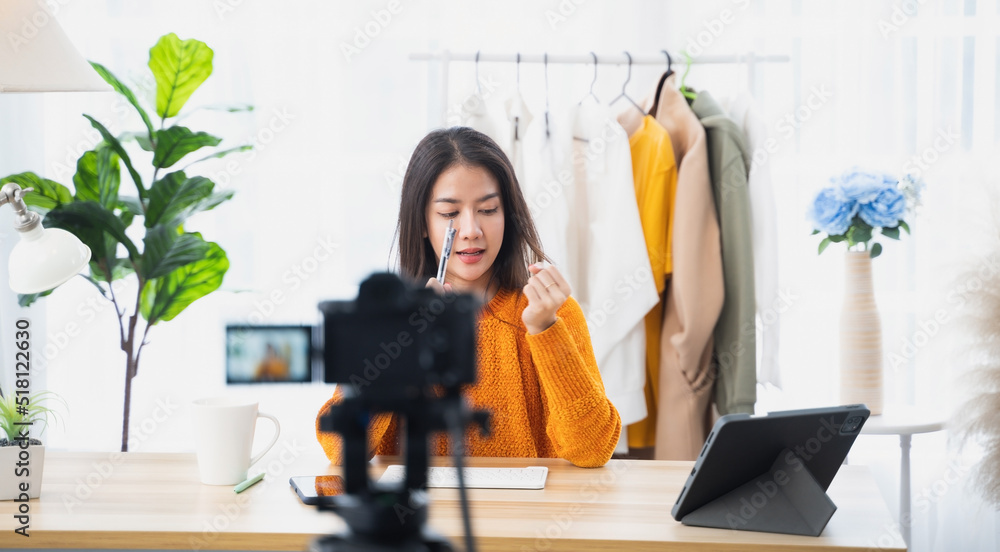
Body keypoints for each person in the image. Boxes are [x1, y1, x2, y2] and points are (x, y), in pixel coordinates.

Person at [316, 127, 621, 468]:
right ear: (420, 222)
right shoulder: (389, 318)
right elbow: (341, 450)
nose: (471, 229)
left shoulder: (551, 311)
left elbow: (593, 449)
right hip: (423, 516)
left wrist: (546, 330)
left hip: (528, 518)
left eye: (488, 210)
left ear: (509, 216)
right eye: (449, 214)